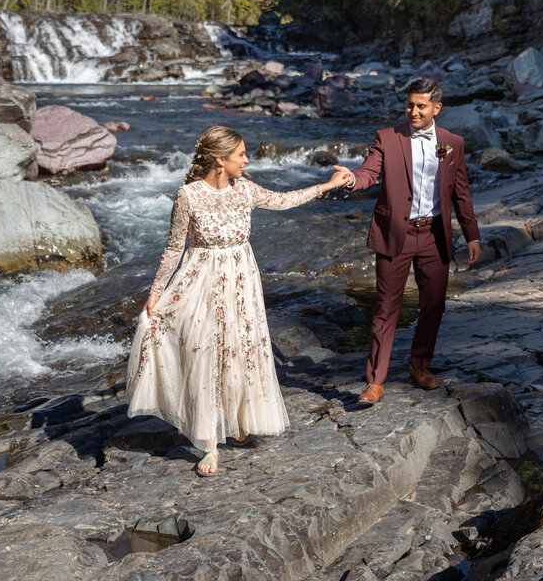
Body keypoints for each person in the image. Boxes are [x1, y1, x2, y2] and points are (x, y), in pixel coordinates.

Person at [127, 125, 353, 476]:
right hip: (200, 282)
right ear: (220, 160)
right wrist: (155, 293)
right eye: (241, 155)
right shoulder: (188, 195)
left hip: (242, 281)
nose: (247, 160)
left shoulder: (245, 189)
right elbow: (174, 248)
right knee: (206, 351)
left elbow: (283, 200)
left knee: (240, 348)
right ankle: (209, 443)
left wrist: (327, 186)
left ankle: (238, 420)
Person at [335, 78, 481, 406]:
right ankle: (375, 382)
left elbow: (461, 191)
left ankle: (420, 365)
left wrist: (472, 234)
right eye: (410, 105)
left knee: (433, 304)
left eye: (421, 106)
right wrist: (351, 179)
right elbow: (369, 172)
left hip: (434, 236)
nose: (413, 111)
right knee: (387, 308)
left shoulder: (451, 143)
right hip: (395, 235)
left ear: (437, 108)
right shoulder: (387, 138)